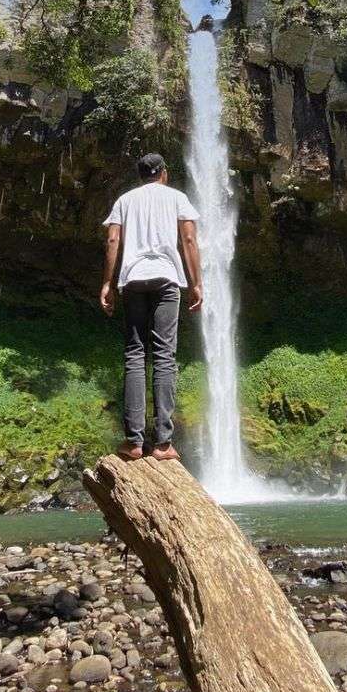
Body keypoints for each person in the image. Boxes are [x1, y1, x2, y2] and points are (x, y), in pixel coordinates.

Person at [100, 152, 203, 461]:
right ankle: (162, 444)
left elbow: (112, 241)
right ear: (164, 173)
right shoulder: (177, 198)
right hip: (167, 280)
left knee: (134, 354)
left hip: (132, 281)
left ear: (141, 175)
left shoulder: (125, 200)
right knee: (164, 355)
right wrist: (196, 282)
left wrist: (107, 282)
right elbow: (189, 240)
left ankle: (132, 442)